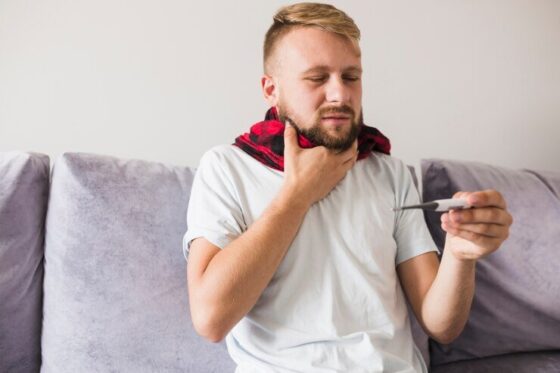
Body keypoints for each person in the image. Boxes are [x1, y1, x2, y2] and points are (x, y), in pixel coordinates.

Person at [182, 3, 513, 372]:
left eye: (351, 77)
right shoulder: (227, 168)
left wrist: (460, 255)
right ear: (271, 90)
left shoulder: (389, 173)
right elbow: (210, 320)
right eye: (317, 78)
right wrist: (297, 195)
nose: (339, 95)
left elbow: (442, 326)